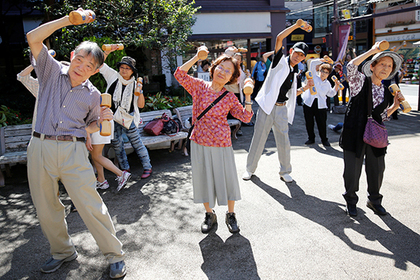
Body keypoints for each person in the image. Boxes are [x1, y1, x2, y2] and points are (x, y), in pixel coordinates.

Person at [26, 9, 126, 278]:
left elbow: (93, 126)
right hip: (40, 147)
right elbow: (33, 38)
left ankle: (115, 254)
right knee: (46, 207)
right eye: (79, 60)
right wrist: (66, 21)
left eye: (89, 66)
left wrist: (103, 118)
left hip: (73, 150)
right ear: (72, 56)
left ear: (95, 71)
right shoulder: (49, 70)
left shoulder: (94, 95)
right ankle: (62, 252)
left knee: (90, 204)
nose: (81, 67)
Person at [174, 47, 253, 234]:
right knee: (203, 180)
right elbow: (179, 74)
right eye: (221, 67)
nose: (223, 72)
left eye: (228, 71)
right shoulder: (199, 86)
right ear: (214, 68)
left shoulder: (229, 97)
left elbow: (246, 117)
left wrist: (248, 95)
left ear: (231, 78)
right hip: (199, 142)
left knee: (227, 179)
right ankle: (209, 214)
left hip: (222, 144)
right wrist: (196, 57)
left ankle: (231, 214)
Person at [339, 41, 403, 217]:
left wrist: (395, 106)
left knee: (377, 170)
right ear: (373, 66)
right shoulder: (360, 82)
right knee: (352, 172)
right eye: (382, 64)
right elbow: (351, 67)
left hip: (375, 135)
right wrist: (374, 50)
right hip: (355, 133)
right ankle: (351, 201)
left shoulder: (387, 90)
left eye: (389, 66)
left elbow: (381, 117)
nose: (386, 68)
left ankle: (374, 201)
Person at [242, 19, 310, 183]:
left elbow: (290, 93)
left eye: (301, 56)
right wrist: (296, 26)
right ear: (291, 50)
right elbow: (279, 38)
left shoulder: (295, 71)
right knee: (259, 139)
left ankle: (285, 171)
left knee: (284, 141)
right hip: (267, 106)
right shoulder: (280, 61)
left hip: (281, 109)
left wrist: (306, 88)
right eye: (297, 53)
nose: (298, 57)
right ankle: (249, 169)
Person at [99, 48, 152, 179]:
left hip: (128, 119)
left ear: (132, 71)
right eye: (122, 67)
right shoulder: (112, 76)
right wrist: (107, 52)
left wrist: (140, 91)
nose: (124, 70)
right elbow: (100, 64)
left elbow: (141, 105)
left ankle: (147, 167)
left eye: (127, 68)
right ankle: (125, 169)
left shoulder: (135, 84)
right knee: (117, 145)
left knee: (137, 143)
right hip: (112, 117)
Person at [301, 58, 340, 147]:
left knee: (321, 123)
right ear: (319, 70)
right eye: (322, 71)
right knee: (309, 122)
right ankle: (311, 138)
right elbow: (313, 63)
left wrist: (336, 86)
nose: (323, 74)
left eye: (326, 72)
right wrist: (325, 61)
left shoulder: (328, 84)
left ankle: (324, 140)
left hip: (321, 105)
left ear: (328, 74)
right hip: (309, 103)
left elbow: (331, 94)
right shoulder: (313, 76)